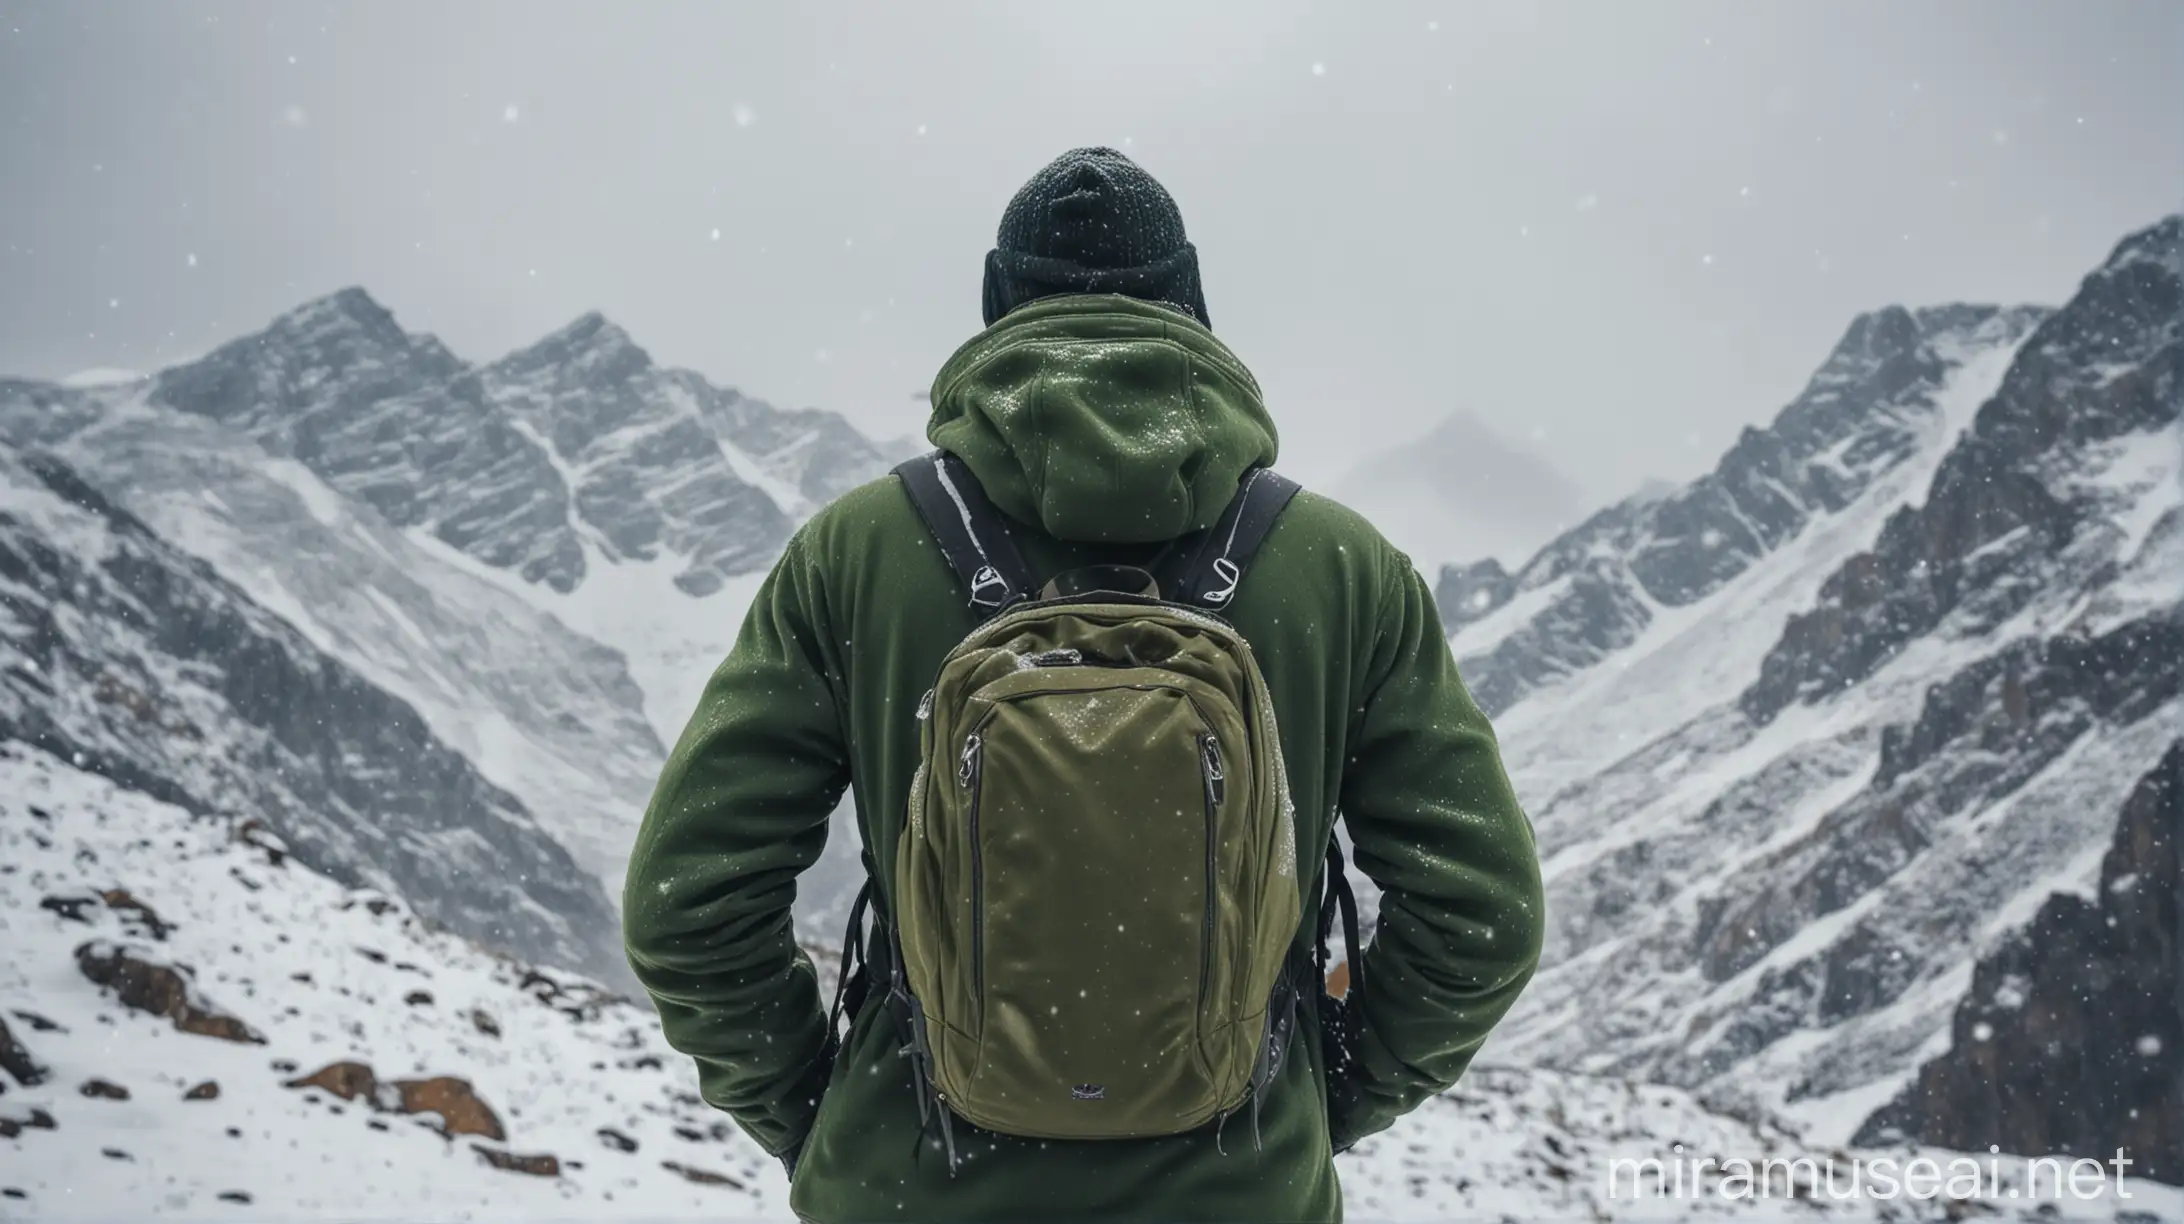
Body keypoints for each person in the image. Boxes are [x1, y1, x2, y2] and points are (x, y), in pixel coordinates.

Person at [623, 146, 1544, 1223]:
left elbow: (687, 907)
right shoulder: (1339, 568)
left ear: (994, 307)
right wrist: (1320, 1101)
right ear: (1194, 308)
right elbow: (1484, 915)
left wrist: (819, 1118)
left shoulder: (859, 554)